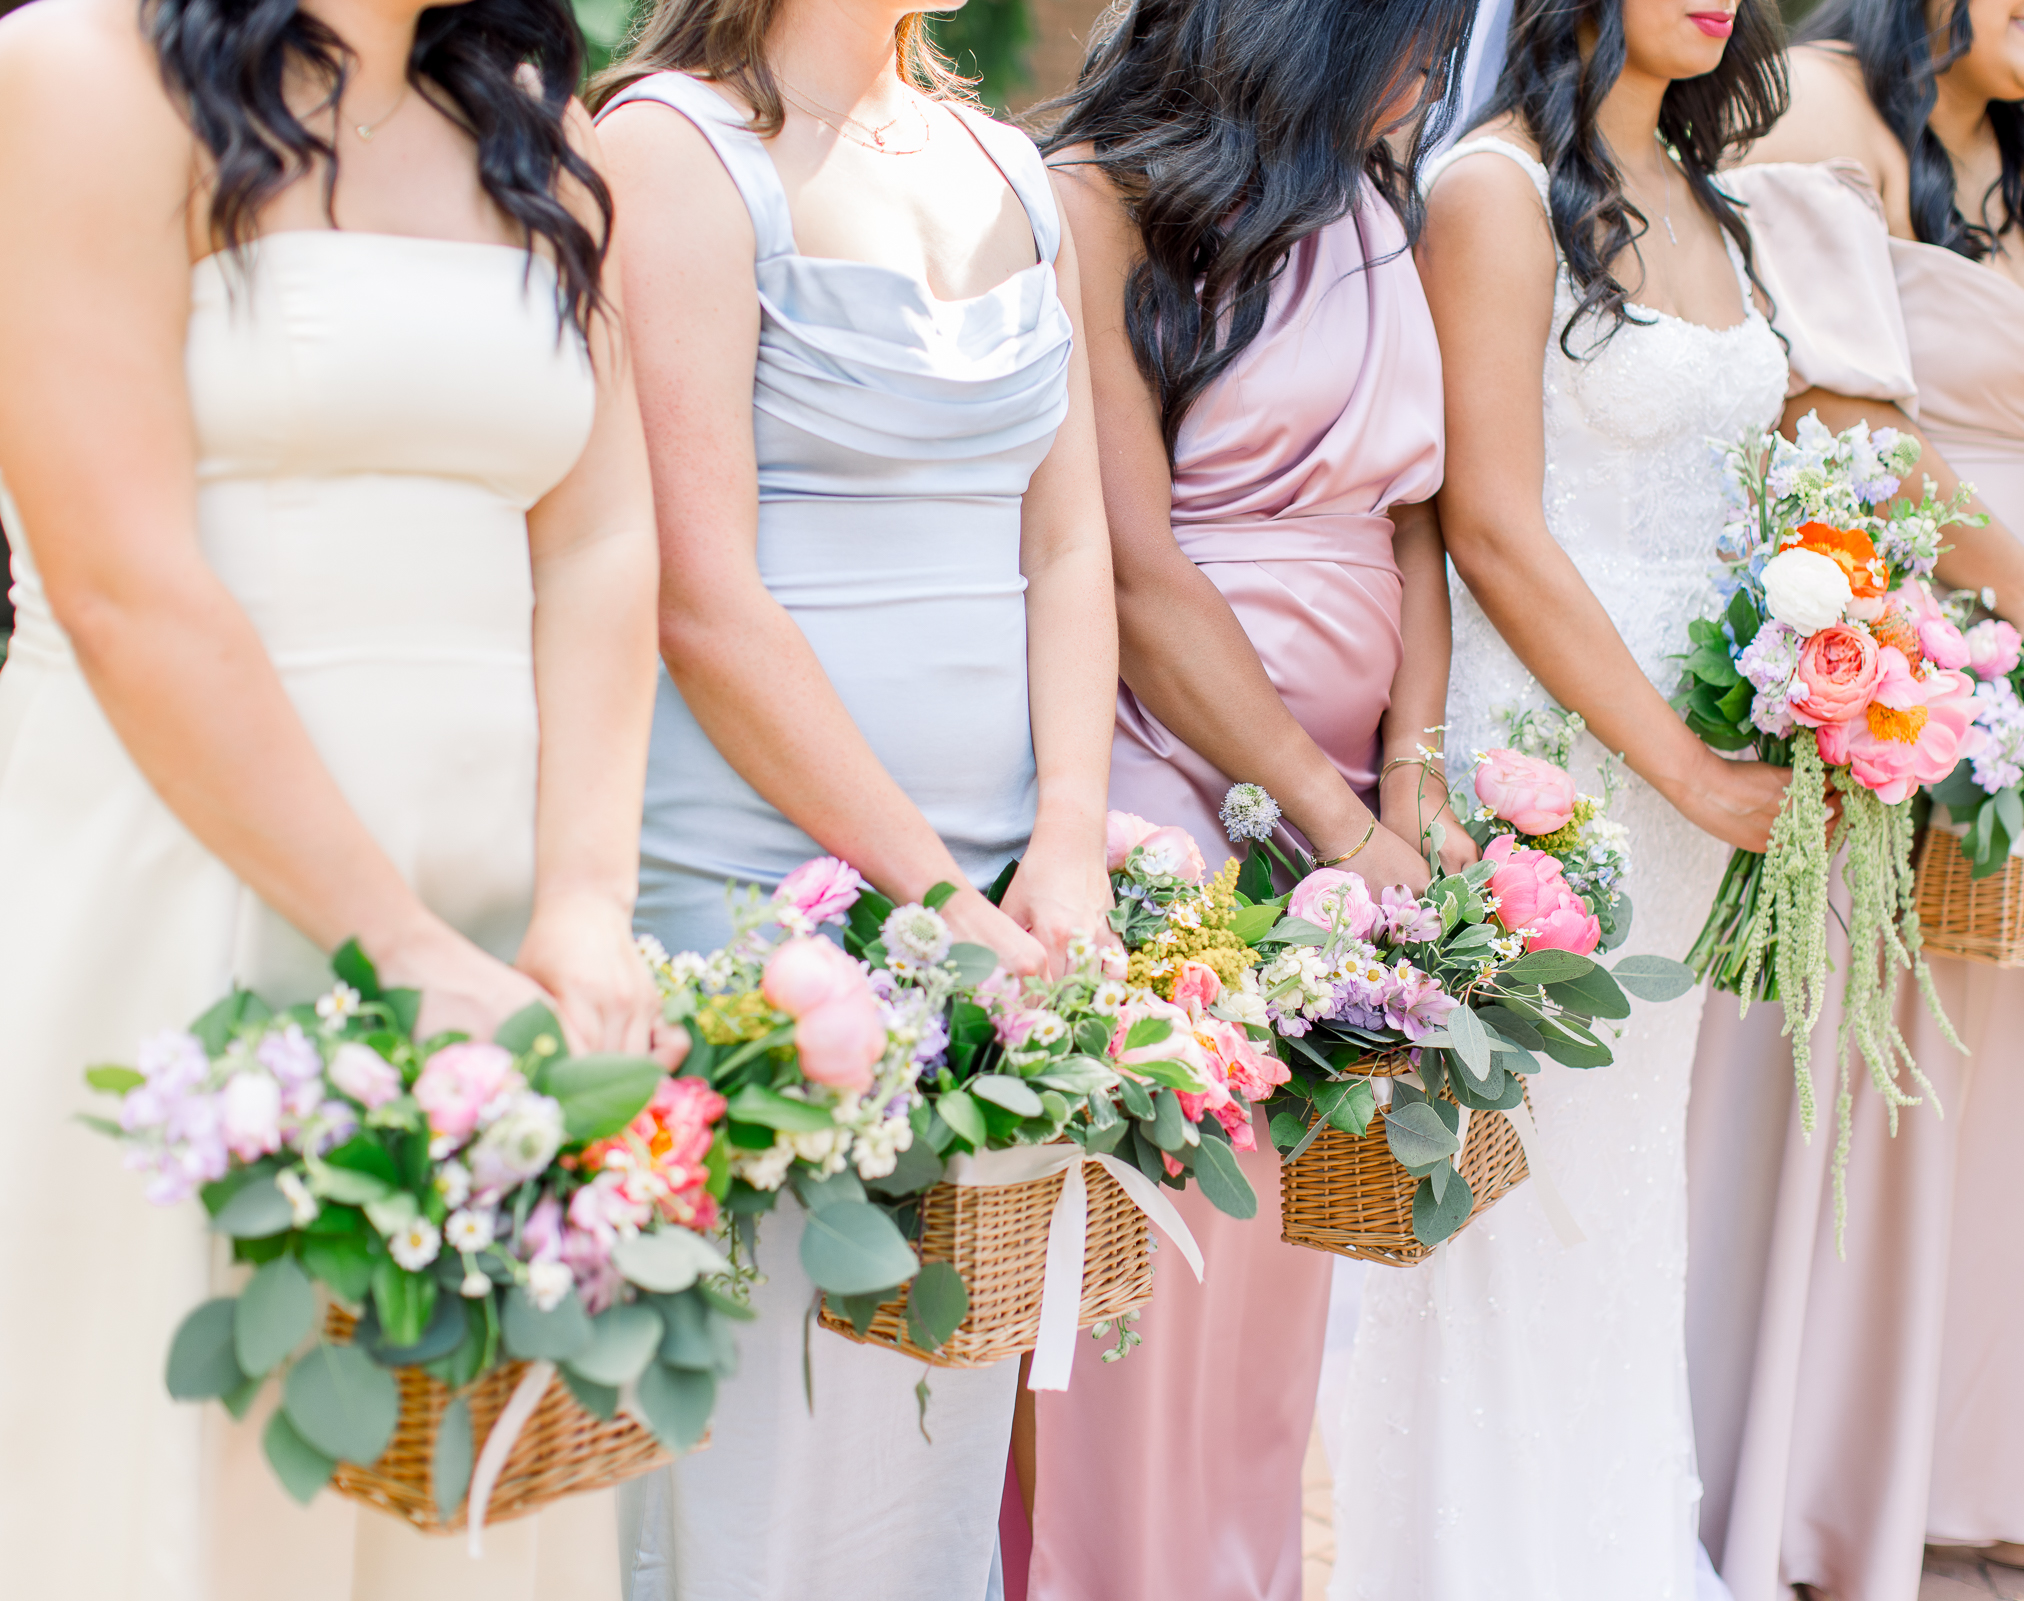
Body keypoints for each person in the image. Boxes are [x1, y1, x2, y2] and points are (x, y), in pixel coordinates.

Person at [0, 0, 661, 1589]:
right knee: (192, 1483)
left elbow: (600, 541)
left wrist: (578, 902)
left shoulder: (532, 126)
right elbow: (118, 579)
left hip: (496, 913)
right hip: (177, 883)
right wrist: (403, 946)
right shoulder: (80, 74)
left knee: (454, 1478)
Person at [589, 0, 1117, 1586]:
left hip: (1005, 910)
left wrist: (1071, 844)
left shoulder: (1015, 168)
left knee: (920, 1438)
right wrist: (932, 893)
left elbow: (1069, 542)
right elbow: (697, 587)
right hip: (758, 882)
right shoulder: (670, 152)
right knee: (750, 1430)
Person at [1689, 0, 2024, 1591]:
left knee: (1995, 1059)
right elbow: (1837, 409)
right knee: (1856, 1064)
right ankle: (1809, 1472)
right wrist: (2019, 608)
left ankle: (1958, 1457)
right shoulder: (1819, 110)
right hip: (1881, 647)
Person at [1328, 0, 1806, 1590]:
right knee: (1517, 1205)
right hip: (1555, 769)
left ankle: (1613, 1542)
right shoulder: (1493, 190)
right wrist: (1678, 764)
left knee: (1624, 1191)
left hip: (1698, 781)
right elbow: (1491, 523)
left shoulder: (1707, 194)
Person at [1025, 0, 1475, 1593]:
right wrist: (1323, 817)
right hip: (1175, 754)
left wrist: (1407, 775)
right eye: (1416, 43)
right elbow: (1134, 564)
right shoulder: (1099, 203)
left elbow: (1417, 517)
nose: (1434, 77)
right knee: (1165, 1256)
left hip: (1357, 790)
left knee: (1277, 1280)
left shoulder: (1370, 200)